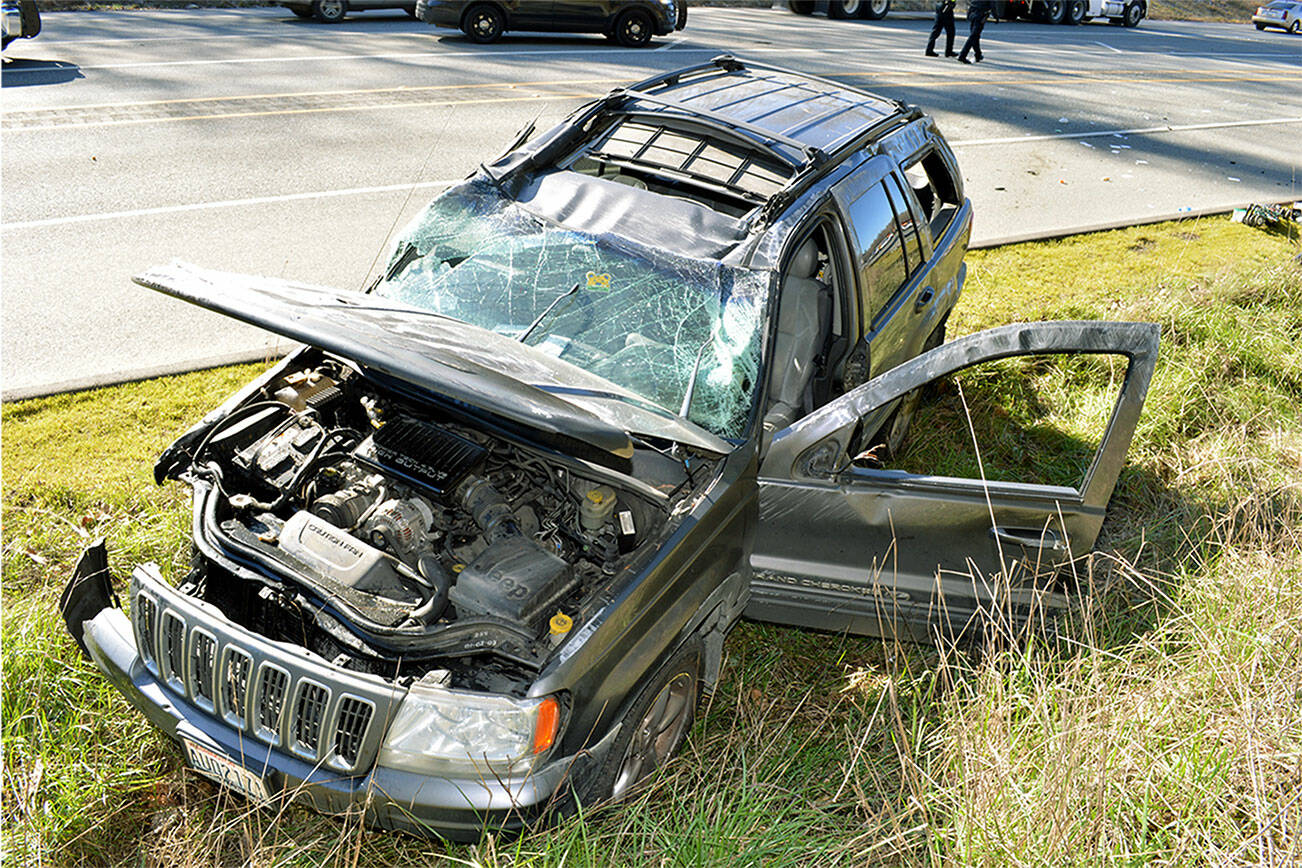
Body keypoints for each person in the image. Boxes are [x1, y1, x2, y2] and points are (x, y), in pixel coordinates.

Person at [958, 0, 994, 64]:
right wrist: (996, 17)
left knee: (975, 36)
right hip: (980, 15)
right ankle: (963, 55)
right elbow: (992, 5)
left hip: (972, 13)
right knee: (973, 36)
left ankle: (978, 54)